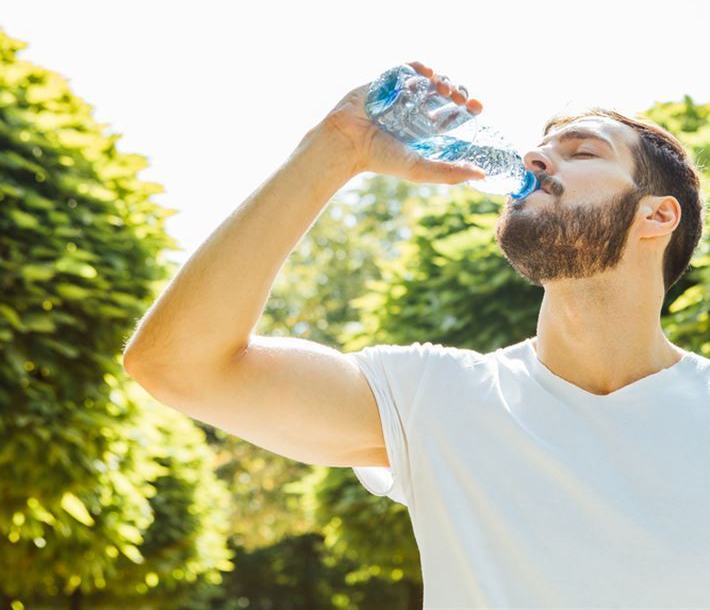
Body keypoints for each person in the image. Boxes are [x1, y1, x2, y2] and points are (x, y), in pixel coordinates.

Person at [123, 61, 709, 608]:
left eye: (582, 152)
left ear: (656, 216)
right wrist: (336, 147)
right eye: (538, 150)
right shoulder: (433, 397)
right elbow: (178, 365)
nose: (533, 160)